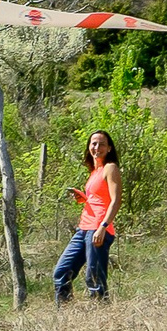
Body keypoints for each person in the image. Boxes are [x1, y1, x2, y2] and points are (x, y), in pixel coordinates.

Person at [51, 129, 119, 306]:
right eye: (93, 143)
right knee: (61, 272)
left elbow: (116, 201)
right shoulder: (94, 171)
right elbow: (99, 198)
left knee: (94, 278)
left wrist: (103, 227)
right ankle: (65, 314)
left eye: (102, 144)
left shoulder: (110, 168)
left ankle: (101, 315)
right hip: (84, 229)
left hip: (98, 229)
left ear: (109, 148)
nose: (97, 147)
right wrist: (84, 197)